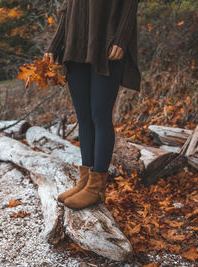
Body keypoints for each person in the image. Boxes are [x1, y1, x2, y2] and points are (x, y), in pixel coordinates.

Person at [43, 0, 141, 210]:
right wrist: (55, 45)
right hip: (75, 45)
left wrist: (122, 39)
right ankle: (85, 179)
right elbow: (69, 9)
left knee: (99, 115)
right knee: (84, 118)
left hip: (107, 43)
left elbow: (130, 4)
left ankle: (96, 187)